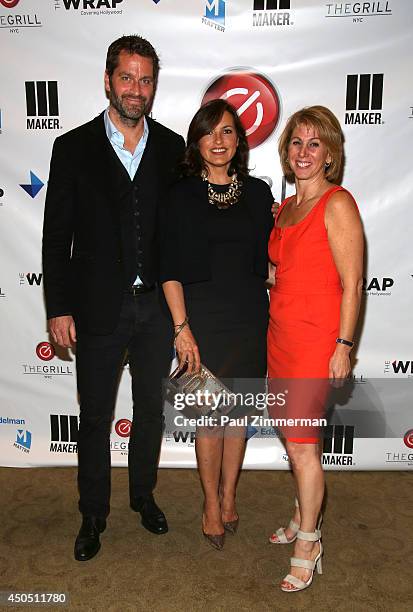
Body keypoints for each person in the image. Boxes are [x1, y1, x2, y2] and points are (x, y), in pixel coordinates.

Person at [42, 35, 185, 561]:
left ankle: (143, 496)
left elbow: (181, 233)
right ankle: (92, 513)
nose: (136, 89)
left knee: (149, 411)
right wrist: (57, 306)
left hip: (154, 311)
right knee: (96, 417)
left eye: (146, 80)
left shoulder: (172, 150)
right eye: (127, 77)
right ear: (108, 80)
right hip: (96, 308)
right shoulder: (72, 148)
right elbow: (56, 238)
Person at [160, 99, 274, 550]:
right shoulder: (179, 195)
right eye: (210, 132)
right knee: (210, 417)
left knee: (239, 416)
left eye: (228, 131)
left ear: (239, 140)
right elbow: (169, 267)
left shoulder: (259, 193)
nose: (219, 141)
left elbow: (266, 263)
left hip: (249, 318)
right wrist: (181, 328)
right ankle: (210, 503)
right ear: (197, 141)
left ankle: (229, 495)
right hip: (201, 322)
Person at [267, 106, 363, 591]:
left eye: (314, 144)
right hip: (279, 337)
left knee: (303, 448)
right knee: (295, 440)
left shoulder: (337, 203)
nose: (304, 152)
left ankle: (309, 541)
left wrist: (343, 345)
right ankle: (304, 513)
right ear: (286, 152)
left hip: (315, 341)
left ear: (329, 154)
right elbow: (281, 273)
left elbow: (353, 284)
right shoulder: (284, 208)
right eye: (296, 143)